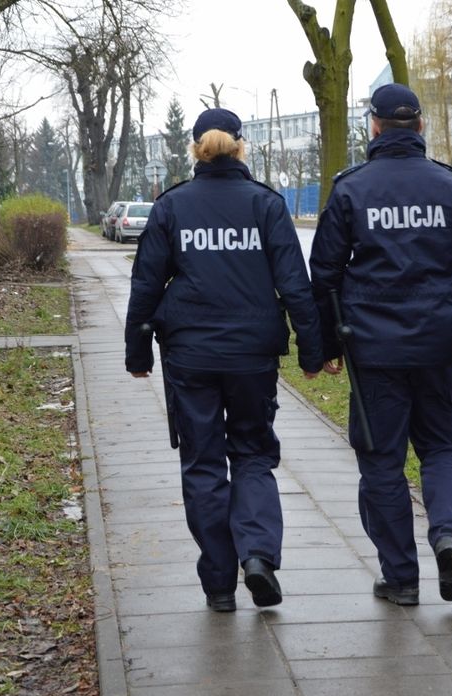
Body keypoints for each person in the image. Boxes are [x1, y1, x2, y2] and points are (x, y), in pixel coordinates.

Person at [309, 83, 452, 606]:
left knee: (381, 463)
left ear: (374, 127)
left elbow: (324, 274)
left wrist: (326, 346)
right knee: (443, 449)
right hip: (439, 347)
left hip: (373, 355)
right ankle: (448, 535)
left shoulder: (351, 189)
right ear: (420, 127)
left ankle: (400, 578)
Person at [124, 108, 323, 612]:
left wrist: (136, 350)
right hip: (252, 356)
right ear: (240, 147)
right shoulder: (266, 205)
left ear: (195, 149)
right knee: (254, 455)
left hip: (190, 356)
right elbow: (295, 286)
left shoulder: (172, 208)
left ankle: (219, 584)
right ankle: (256, 555)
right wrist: (314, 351)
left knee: (203, 463)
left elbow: (146, 283)